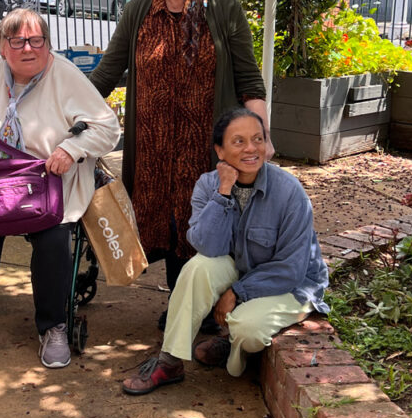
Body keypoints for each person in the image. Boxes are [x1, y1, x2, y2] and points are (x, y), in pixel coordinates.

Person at [89, 0, 271, 311]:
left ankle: (204, 305)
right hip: (153, 148)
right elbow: (106, 73)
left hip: (204, 146)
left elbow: (250, 82)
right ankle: (180, 303)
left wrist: (260, 139)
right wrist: (61, 105)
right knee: (168, 226)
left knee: (205, 223)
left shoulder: (222, 8)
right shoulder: (139, 11)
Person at [0, 8, 120, 369]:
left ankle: (53, 327)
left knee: (54, 241)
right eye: (18, 40)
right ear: (2, 47)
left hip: (49, 185)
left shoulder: (65, 75)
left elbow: (108, 127)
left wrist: (72, 149)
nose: (28, 48)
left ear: (47, 45)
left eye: (37, 40)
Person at [121, 108, 328, 395]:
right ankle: (170, 362)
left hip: (291, 285)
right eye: (239, 141)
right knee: (197, 268)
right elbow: (207, 246)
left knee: (248, 329)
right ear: (220, 150)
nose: (251, 148)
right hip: (243, 268)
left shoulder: (290, 192)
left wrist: (237, 292)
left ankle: (232, 343)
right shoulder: (208, 185)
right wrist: (224, 191)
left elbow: (291, 269)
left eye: (258, 139)